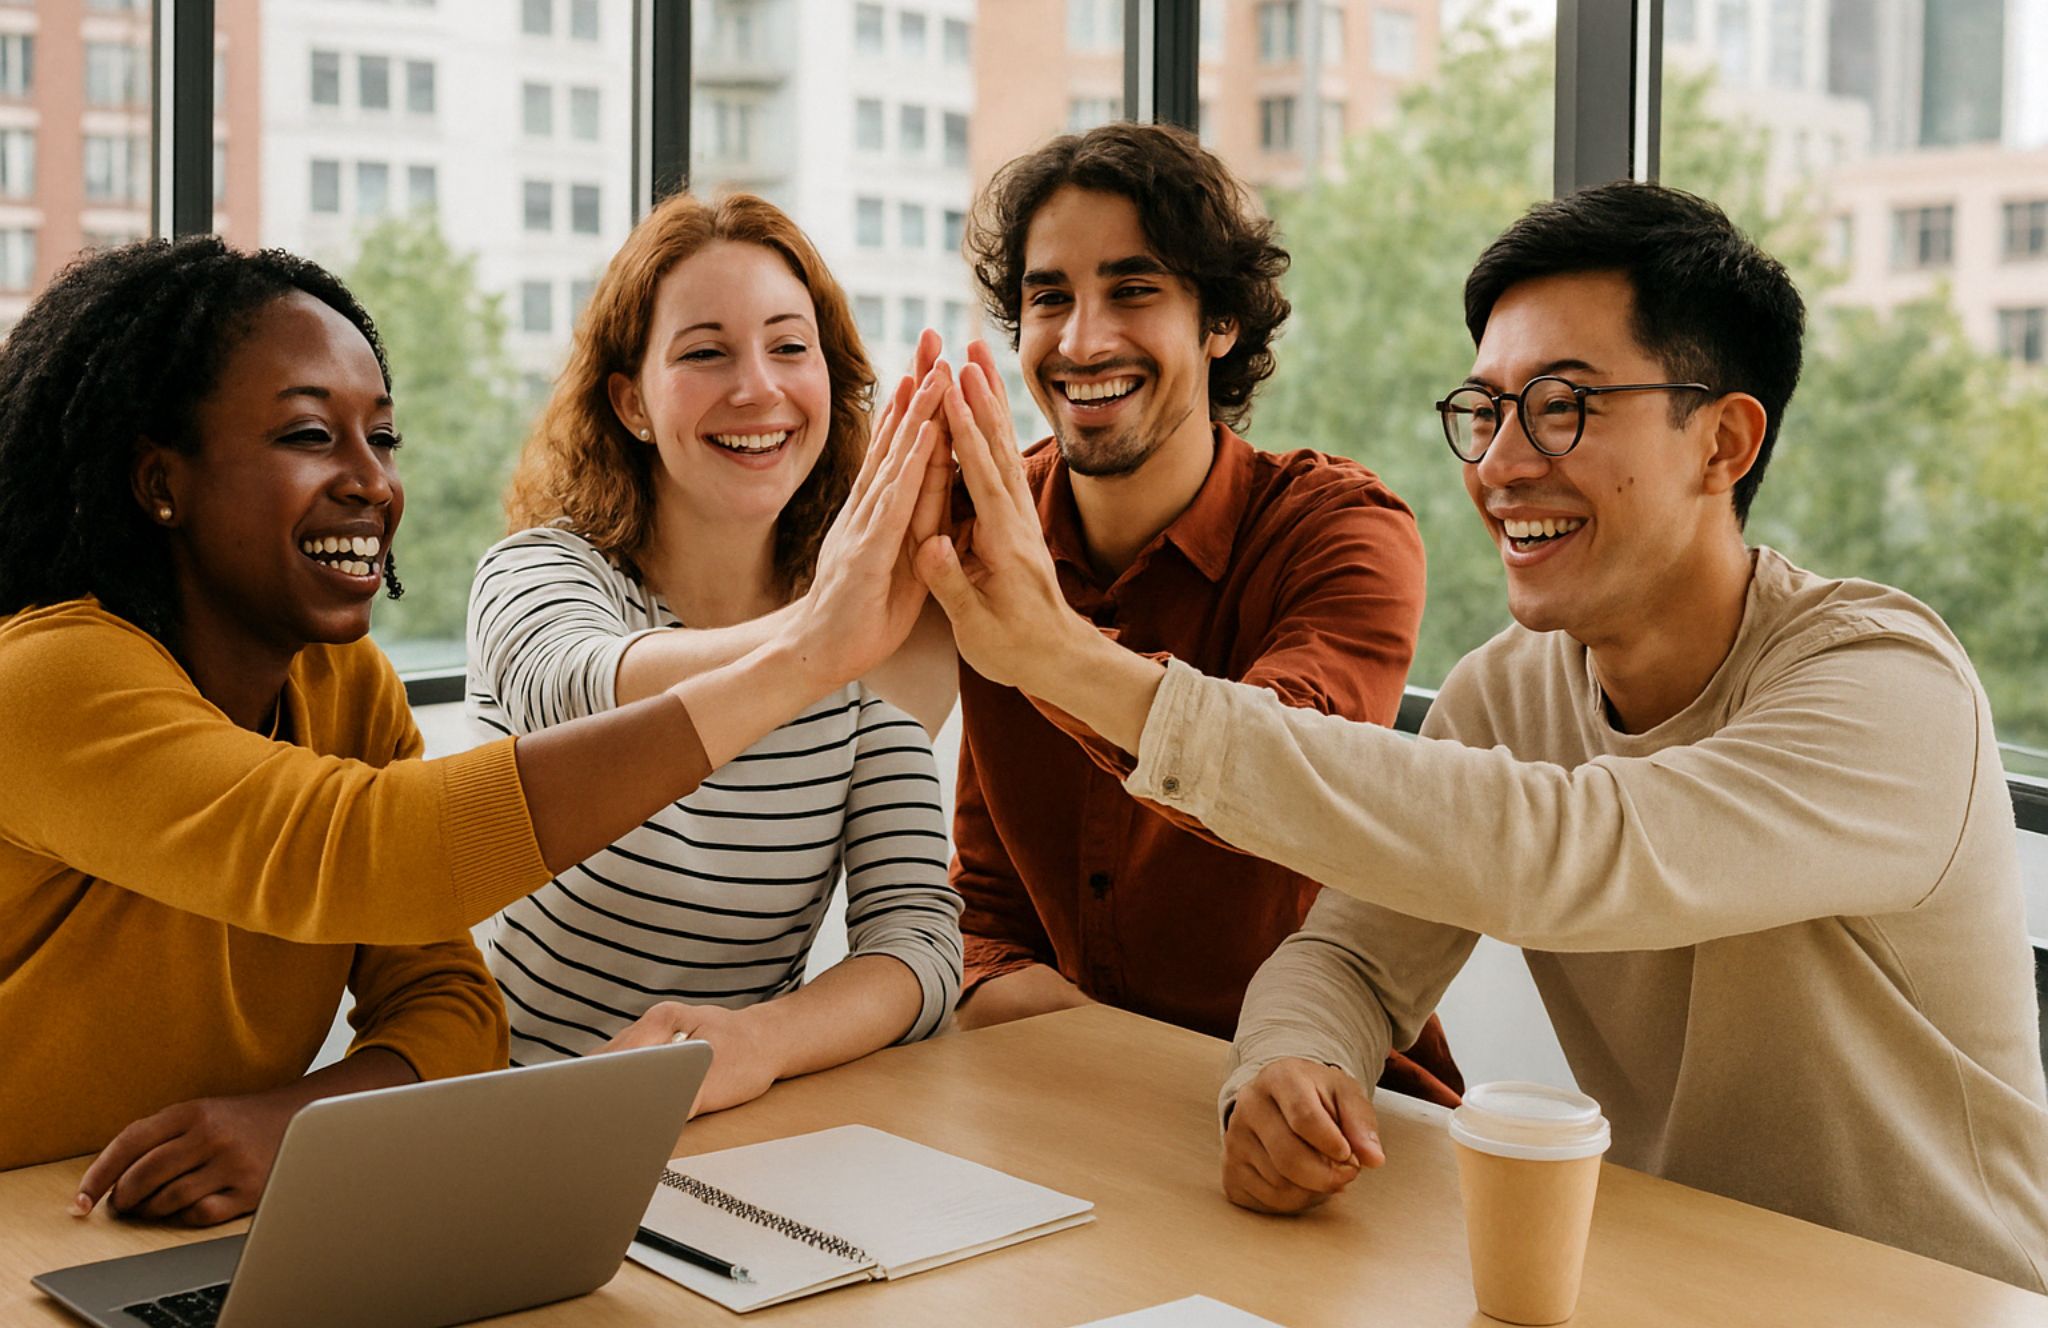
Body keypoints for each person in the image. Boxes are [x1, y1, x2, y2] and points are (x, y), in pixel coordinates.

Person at [908, 182, 2048, 1289]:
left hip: (1941, 1299)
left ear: (1722, 442)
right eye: (1487, 410)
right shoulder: (1508, 689)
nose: (1499, 465)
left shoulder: (1885, 686)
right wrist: (1288, 1065)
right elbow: (1352, 956)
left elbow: (1571, 853)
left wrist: (1072, 666)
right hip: (1666, 1281)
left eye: (1561, 406)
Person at [0, 235, 943, 1223]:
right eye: (310, 435)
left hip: (160, 1225)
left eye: (382, 438)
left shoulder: (343, 687)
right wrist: (805, 653)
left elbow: (451, 1005)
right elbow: (371, 851)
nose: (372, 482)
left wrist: (300, 1120)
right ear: (162, 482)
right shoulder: (49, 680)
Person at [937, 122, 1460, 1104]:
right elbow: (985, 909)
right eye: (1049, 297)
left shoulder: (1342, 531)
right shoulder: (994, 528)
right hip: (1083, 1094)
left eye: (1132, 290)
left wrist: (1050, 653)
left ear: (1220, 320)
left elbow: (1286, 779)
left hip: (1328, 1102)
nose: (1081, 340)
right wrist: (1040, 1011)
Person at [466, 192, 962, 1113]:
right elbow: (575, 690)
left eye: (789, 347)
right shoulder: (537, 574)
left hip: (736, 1131)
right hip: (517, 1124)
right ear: (632, 402)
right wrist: (816, 638)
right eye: (705, 353)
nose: (757, 389)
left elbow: (918, 943)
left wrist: (760, 1042)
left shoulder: (869, 624)